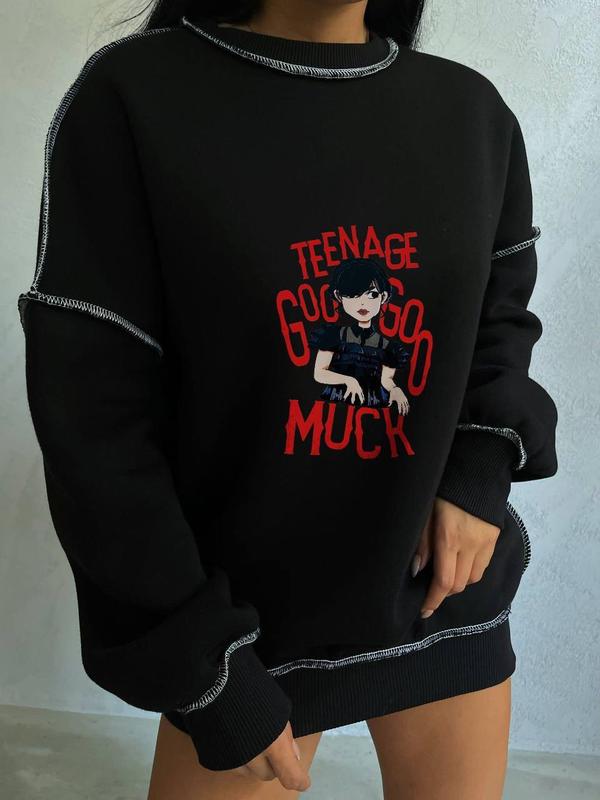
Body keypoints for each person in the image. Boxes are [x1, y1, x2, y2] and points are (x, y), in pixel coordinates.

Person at [18, 1, 559, 798]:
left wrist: (480, 471)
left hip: (441, 598)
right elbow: (93, 420)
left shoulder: (470, 112)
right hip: (246, 637)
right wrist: (201, 661)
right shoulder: (136, 98)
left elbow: (499, 320)